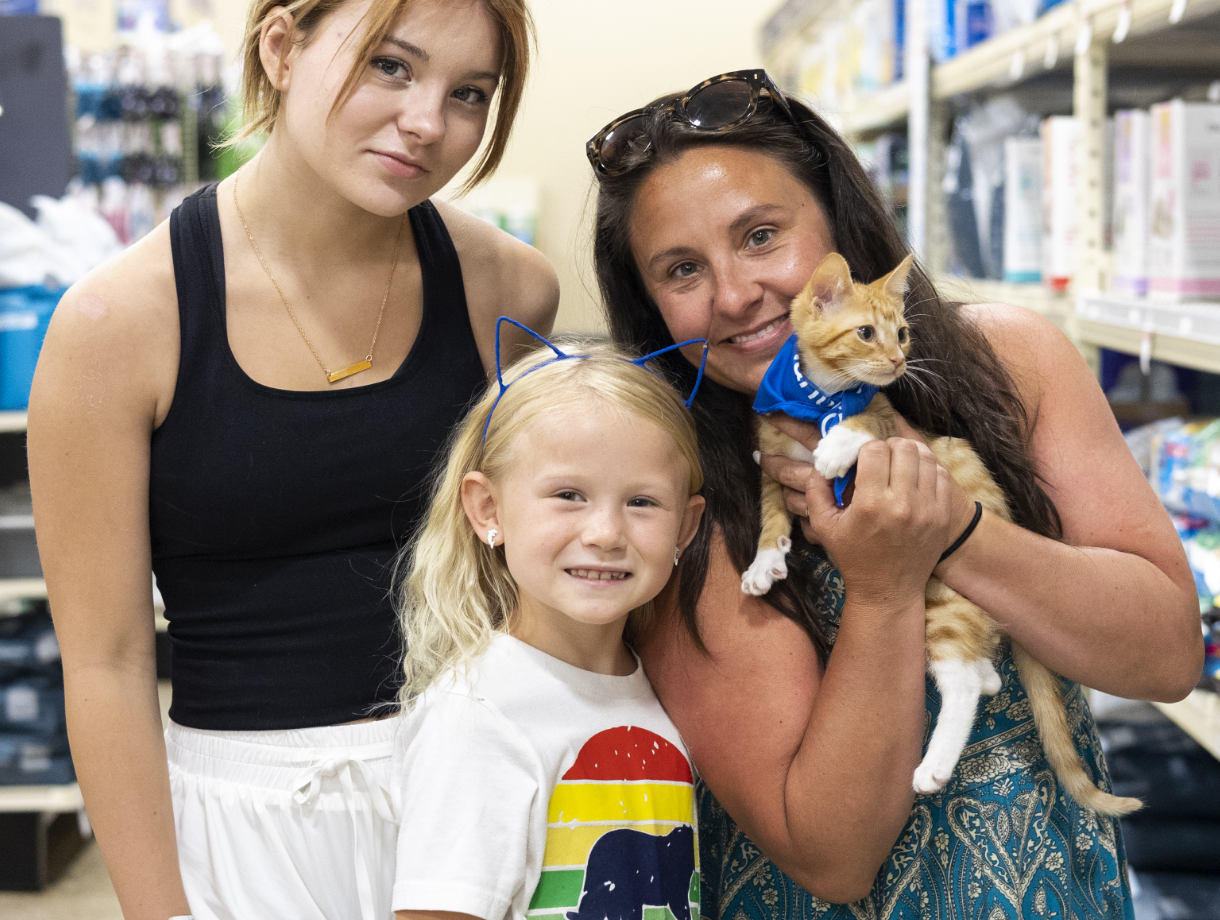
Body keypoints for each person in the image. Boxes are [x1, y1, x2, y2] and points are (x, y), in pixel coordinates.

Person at [589, 70, 1203, 919]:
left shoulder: (1011, 363)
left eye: (762, 235)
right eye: (683, 269)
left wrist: (952, 528)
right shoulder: (669, 481)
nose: (735, 295)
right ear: (651, 304)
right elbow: (831, 856)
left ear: (839, 226)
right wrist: (882, 589)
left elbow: (1167, 656)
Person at [27, 0, 557, 917]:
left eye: (469, 93)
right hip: (243, 823)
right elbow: (107, 664)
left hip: (469, 802)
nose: (429, 122)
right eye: (391, 66)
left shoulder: (506, 290)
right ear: (280, 46)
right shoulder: (116, 329)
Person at [389, 328, 707, 920]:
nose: (606, 533)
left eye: (642, 502)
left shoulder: (658, 693)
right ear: (488, 509)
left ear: (685, 529)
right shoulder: (478, 717)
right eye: (568, 494)